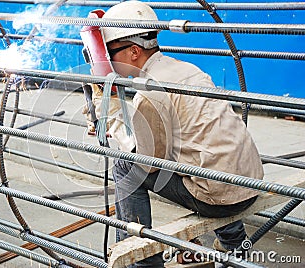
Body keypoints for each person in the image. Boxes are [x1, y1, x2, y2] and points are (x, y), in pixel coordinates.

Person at [85, 1, 264, 266]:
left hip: (218, 196)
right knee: (200, 155)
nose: (106, 61)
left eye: (109, 53)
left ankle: (141, 259)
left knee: (125, 166)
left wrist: (110, 119)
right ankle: (234, 245)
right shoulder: (185, 69)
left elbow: (149, 161)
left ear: (134, 51)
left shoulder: (149, 90)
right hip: (249, 182)